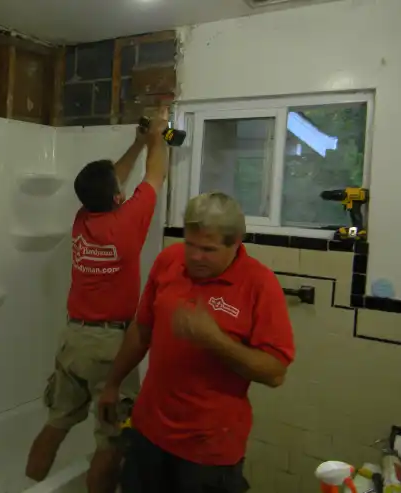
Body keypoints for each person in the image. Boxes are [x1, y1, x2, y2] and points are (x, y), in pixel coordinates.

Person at [99, 192, 296, 493]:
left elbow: (275, 373)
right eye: (190, 244)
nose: (194, 256)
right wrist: (112, 383)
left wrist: (215, 341)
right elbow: (141, 331)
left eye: (208, 249)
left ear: (236, 243)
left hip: (208, 451)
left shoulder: (259, 284)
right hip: (148, 432)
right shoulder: (169, 261)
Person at [25, 109, 169, 493]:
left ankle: (30, 486)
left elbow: (112, 182)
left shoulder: (83, 219)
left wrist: (139, 142)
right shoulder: (127, 223)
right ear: (118, 197)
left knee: (56, 423)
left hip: (73, 340)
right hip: (110, 346)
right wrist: (159, 135)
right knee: (112, 440)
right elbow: (155, 175)